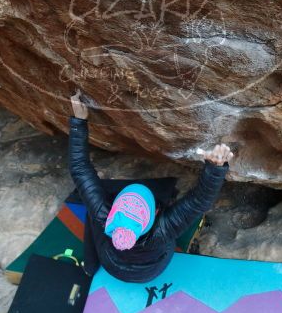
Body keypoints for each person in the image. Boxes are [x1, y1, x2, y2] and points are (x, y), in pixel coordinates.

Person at [68, 90, 233, 283]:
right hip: (152, 270)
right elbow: (199, 202)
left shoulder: (102, 216)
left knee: (91, 209)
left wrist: (79, 121)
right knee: (176, 215)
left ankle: (90, 265)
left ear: (111, 212)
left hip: (111, 264)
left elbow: (79, 169)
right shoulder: (165, 230)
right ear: (155, 213)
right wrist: (215, 168)